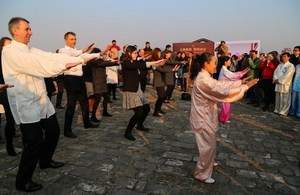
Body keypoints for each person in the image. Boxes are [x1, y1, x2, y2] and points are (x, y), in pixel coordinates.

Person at [2, 17, 93, 192]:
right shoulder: (10, 51)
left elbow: (49, 56)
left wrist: (80, 56)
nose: (31, 32)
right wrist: (70, 64)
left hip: (41, 101)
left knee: (53, 131)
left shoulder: (29, 49)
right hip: (26, 103)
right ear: (15, 31)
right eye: (27, 29)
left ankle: (45, 161)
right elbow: (40, 66)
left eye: (30, 29)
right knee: (34, 142)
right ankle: (23, 180)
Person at [190, 52, 258, 184]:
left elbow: (220, 85)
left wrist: (239, 82)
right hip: (203, 118)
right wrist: (245, 87)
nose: (216, 65)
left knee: (210, 145)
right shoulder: (203, 79)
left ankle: (208, 164)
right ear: (206, 64)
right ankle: (201, 174)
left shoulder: (206, 77)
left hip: (206, 116)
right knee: (206, 147)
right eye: (214, 63)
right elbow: (221, 92)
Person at [58, 31, 100, 138]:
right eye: (72, 39)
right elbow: (72, 54)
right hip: (70, 79)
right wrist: (83, 50)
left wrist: (101, 53)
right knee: (71, 106)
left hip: (80, 79)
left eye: (75, 39)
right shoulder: (62, 51)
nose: (74, 41)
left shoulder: (77, 51)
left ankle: (87, 123)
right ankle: (67, 130)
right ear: (65, 40)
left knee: (84, 103)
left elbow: (86, 55)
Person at [122, 45, 165, 140]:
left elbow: (144, 66)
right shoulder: (126, 63)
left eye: (136, 53)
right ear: (129, 53)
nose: (136, 54)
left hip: (138, 89)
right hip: (131, 90)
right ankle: (127, 132)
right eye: (134, 53)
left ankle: (139, 125)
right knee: (138, 112)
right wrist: (155, 62)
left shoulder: (135, 62)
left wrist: (155, 65)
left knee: (146, 109)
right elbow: (141, 65)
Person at [87, 47, 119, 122]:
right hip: (97, 83)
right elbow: (106, 63)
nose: (100, 55)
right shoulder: (93, 62)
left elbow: (105, 62)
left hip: (102, 82)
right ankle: (93, 116)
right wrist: (116, 62)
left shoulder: (99, 61)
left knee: (106, 97)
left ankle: (104, 111)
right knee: (97, 100)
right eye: (99, 54)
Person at [218, 56, 250, 123]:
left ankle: (223, 117)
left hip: (225, 88)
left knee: (226, 104)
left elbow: (232, 75)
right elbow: (233, 76)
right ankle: (223, 118)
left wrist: (242, 72)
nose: (230, 62)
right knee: (226, 104)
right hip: (224, 89)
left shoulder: (225, 69)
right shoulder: (224, 70)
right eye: (229, 61)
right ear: (225, 62)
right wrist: (242, 73)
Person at [0, 37, 16, 156]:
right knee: (10, 119)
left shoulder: (14, 60)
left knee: (13, 119)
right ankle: (9, 146)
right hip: (3, 92)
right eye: (7, 46)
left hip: (13, 91)